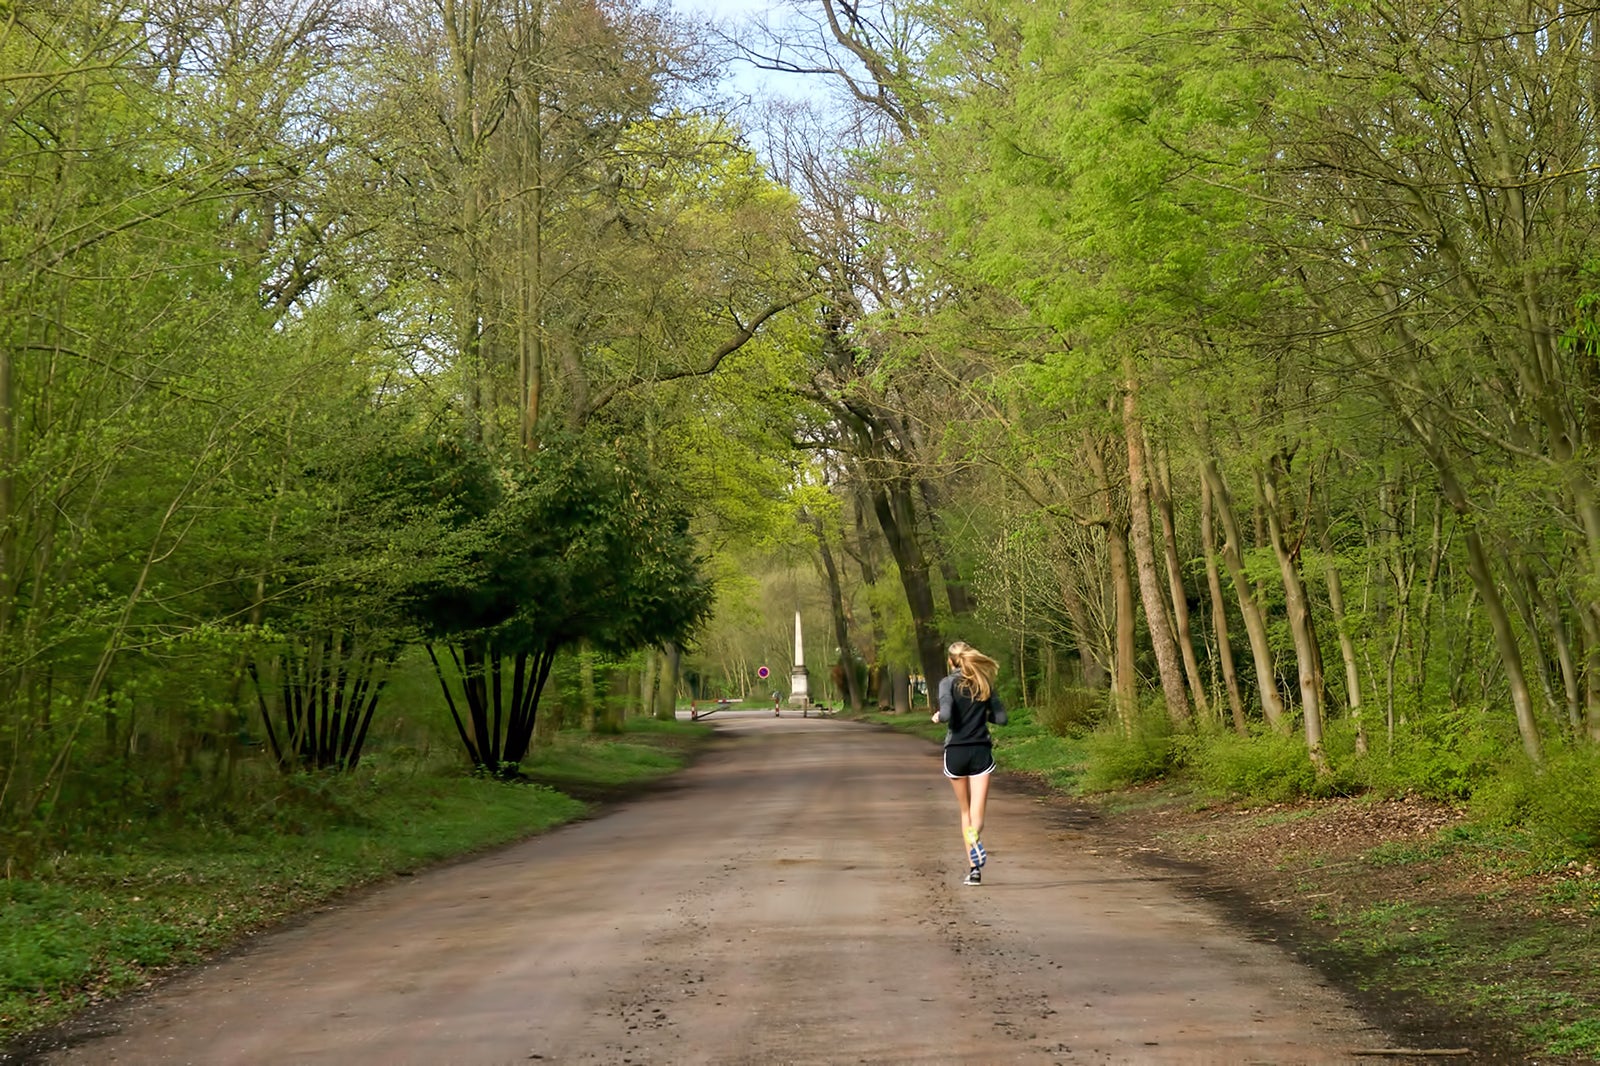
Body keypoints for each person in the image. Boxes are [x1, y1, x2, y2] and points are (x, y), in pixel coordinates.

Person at [932, 641, 1007, 886]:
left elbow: (945, 714)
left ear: (951, 661)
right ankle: (975, 840)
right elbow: (1002, 719)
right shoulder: (984, 683)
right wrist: (982, 712)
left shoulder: (947, 683)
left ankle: (974, 871)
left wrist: (937, 716)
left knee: (964, 811)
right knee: (977, 815)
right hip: (980, 751)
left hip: (956, 751)